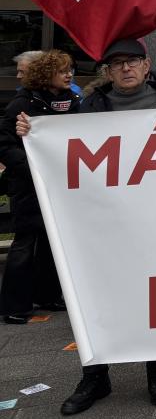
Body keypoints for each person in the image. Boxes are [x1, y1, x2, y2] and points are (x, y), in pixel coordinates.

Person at [56, 38, 156, 415]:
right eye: (117, 64)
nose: (126, 69)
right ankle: (95, 375)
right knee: (96, 295)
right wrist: (30, 130)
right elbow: (60, 148)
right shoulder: (88, 107)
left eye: (132, 62)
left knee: (154, 295)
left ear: (147, 66)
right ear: (108, 72)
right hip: (104, 220)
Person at [1, 50, 75, 325]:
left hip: (59, 183)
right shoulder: (22, 103)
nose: (69, 75)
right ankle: (14, 306)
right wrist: (31, 167)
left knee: (51, 243)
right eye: (63, 71)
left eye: (70, 70)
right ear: (46, 74)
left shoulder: (73, 101)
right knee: (25, 243)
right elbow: (4, 142)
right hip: (28, 185)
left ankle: (48, 295)